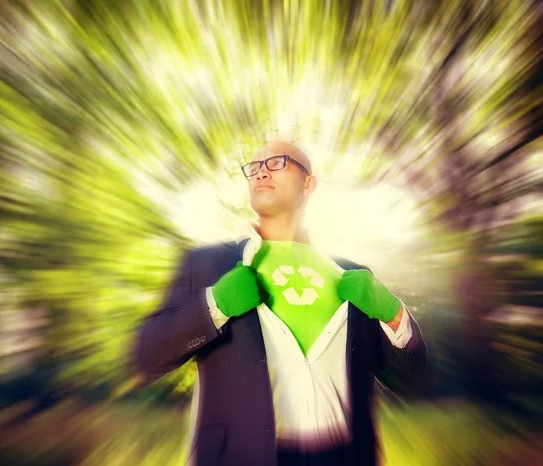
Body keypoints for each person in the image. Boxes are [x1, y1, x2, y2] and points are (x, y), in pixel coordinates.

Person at [131, 140, 427, 466]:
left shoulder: (354, 274)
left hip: (346, 456)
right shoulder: (207, 265)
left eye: (276, 163)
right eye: (254, 167)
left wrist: (394, 314)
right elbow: (146, 356)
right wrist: (214, 305)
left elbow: (408, 382)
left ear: (309, 183)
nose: (260, 172)